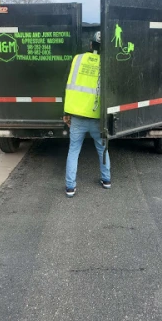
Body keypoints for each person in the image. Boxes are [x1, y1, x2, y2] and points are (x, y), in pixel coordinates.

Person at [63, 32, 111, 198]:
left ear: (91, 45)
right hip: (98, 117)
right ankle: (106, 180)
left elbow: (70, 85)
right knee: (102, 149)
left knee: (74, 151)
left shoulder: (78, 59)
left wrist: (67, 112)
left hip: (77, 115)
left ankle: (70, 187)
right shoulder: (107, 63)